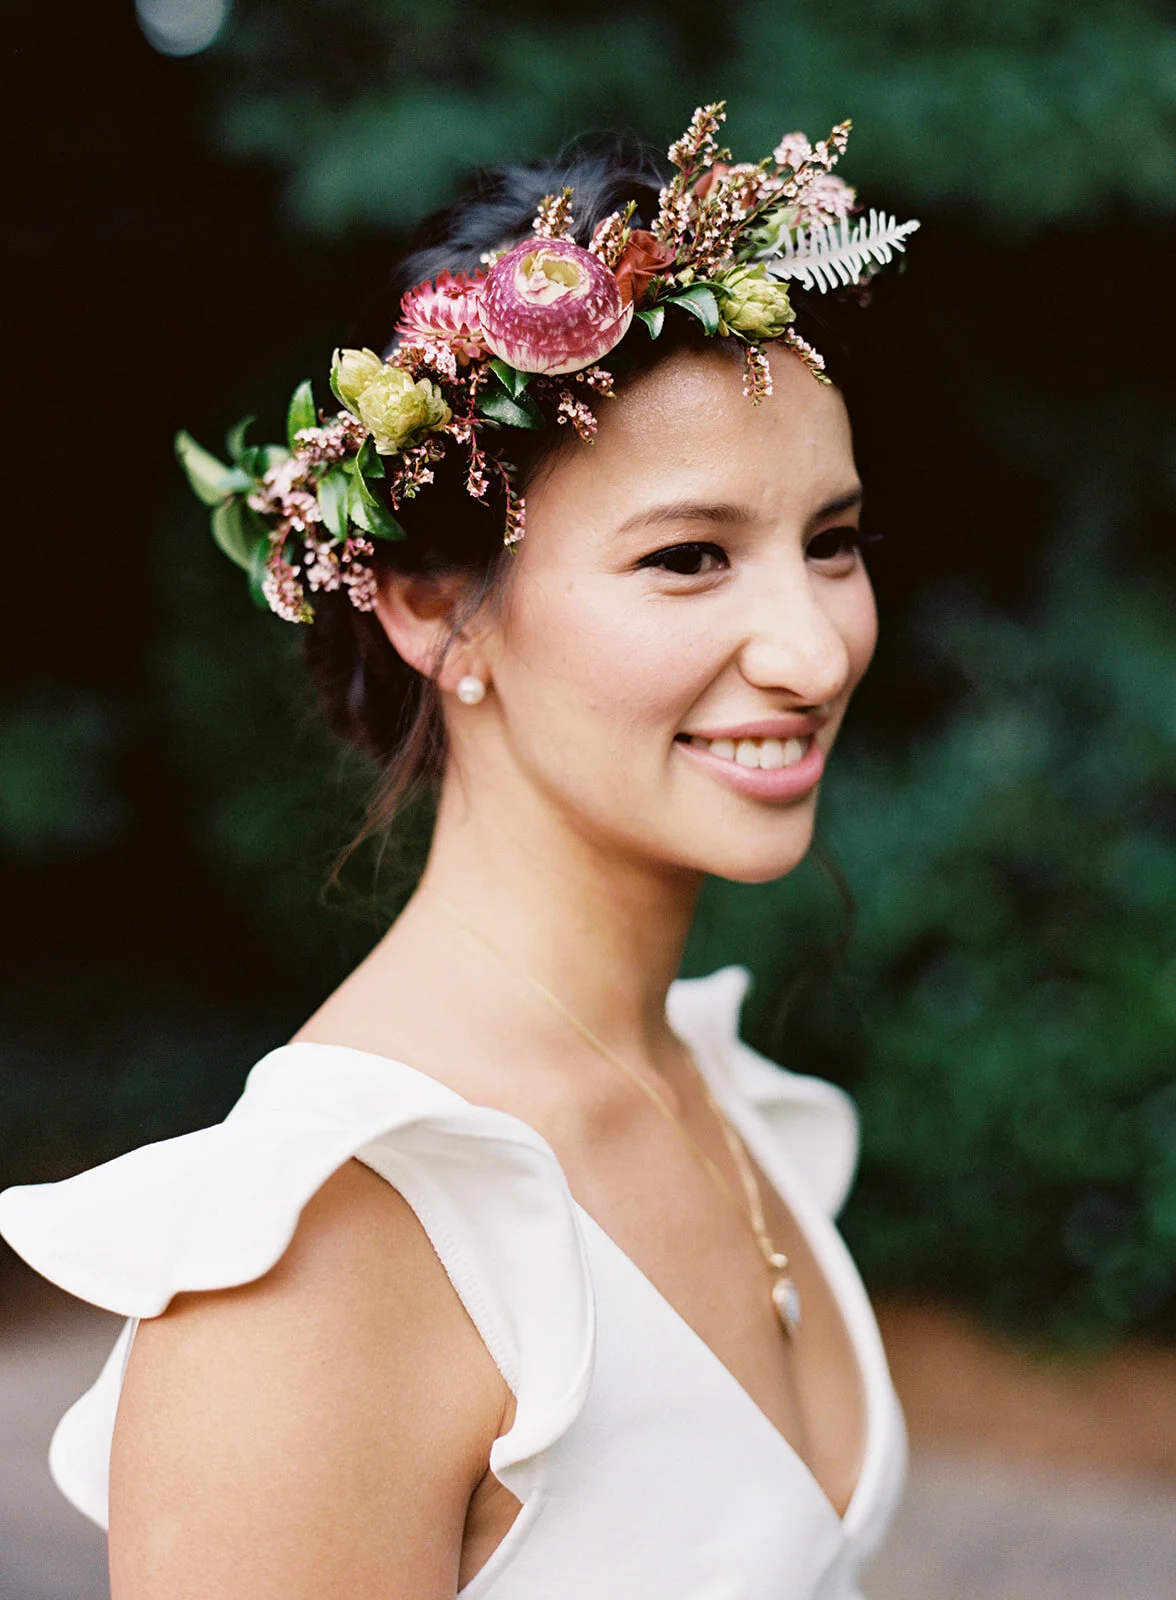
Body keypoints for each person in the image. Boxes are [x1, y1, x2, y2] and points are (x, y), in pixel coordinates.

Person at [0, 105, 917, 1598]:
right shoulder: (327, 1255)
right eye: (687, 557)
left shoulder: (714, 1087)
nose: (814, 648)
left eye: (834, 538)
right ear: (432, 609)